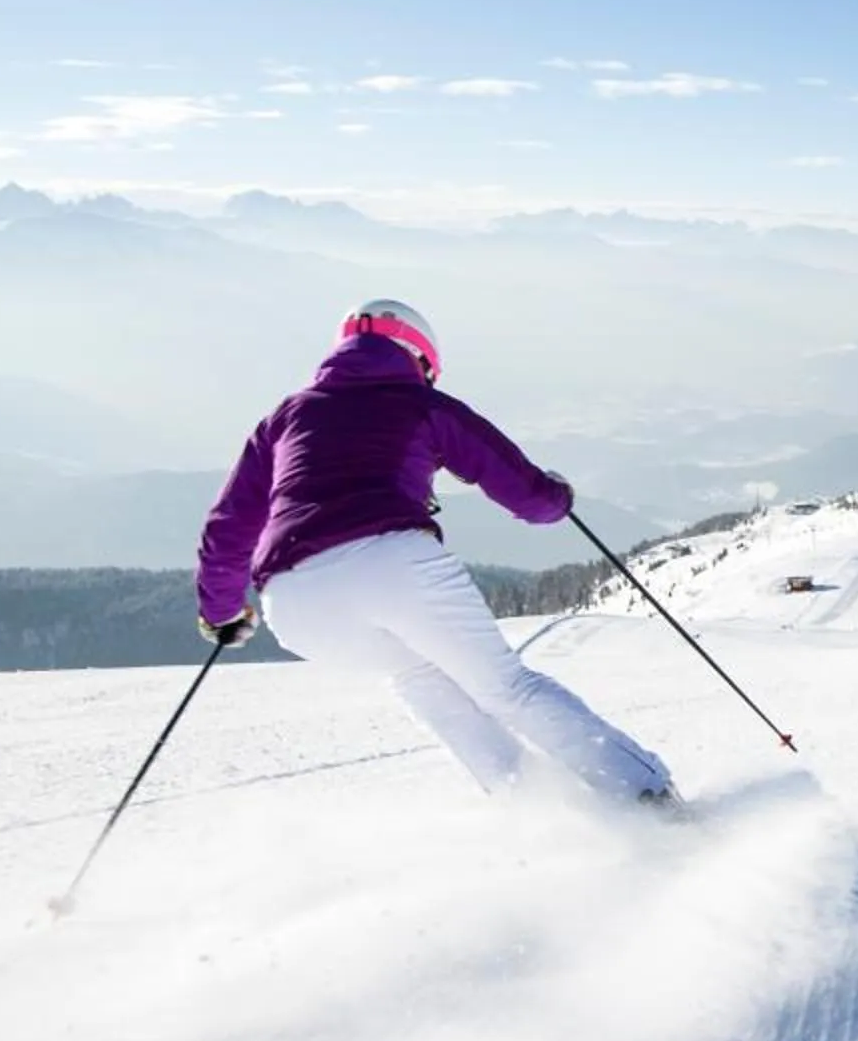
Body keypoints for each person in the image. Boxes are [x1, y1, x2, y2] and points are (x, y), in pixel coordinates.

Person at [195, 298, 678, 804]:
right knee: (506, 688)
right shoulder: (422, 403)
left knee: (418, 673)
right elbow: (527, 495)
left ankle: (540, 811)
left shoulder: (287, 416)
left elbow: (228, 526)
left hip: (294, 602)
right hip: (391, 564)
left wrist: (222, 612)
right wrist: (557, 497)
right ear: (418, 357)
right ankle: (648, 796)